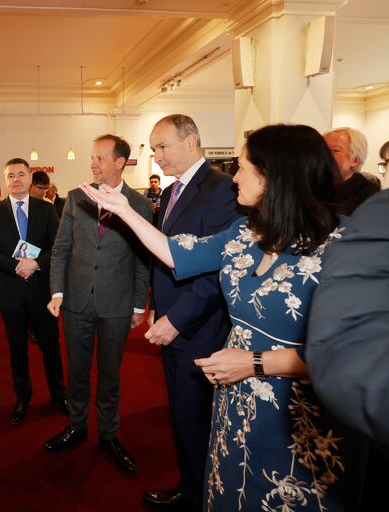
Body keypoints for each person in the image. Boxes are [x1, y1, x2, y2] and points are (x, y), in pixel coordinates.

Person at [82, 123, 364, 511]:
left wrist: (254, 363)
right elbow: (176, 253)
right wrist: (125, 211)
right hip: (236, 399)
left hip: (298, 413)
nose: (234, 177)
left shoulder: (346, 247)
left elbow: (356, 355)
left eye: (244, 168)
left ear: (275, 177)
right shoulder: (246, 231)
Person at [307, 119, 389, 511]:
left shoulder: (376, 201)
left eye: (333, 150)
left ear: (355, 159)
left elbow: (357, 358)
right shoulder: (318, 192)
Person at [142, 115, 241, 510]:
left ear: (191, 141)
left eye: (162, 147)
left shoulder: (219, 189)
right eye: (152, 150)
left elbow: (220, 267)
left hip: (199, 326)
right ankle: (192, 485)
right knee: (183, 415)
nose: (156, 157)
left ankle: (200, 494)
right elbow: (162, 258)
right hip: (172, 319)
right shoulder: (169, 193)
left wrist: (177, 319)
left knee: (194, 416)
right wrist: (156, 307)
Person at [45, 134, 152, 474]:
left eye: (100, 158)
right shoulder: (76, 198)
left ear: (120, 162)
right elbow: (61, 248)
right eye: (92, 158)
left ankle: (108, 434)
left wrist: (139, 305)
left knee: (110, 374)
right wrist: (57, 292)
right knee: (76, 371)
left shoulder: (141, 205)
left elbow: (142, 260)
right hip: (76, 301)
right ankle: (77, 426)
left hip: (117, 305)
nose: (93, 164)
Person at [0, 158, 67, 426]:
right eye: (10, 175)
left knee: (51, 347)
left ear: (30, 178)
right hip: (11, 292)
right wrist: (15, 267)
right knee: (17, 351)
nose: (16, 179)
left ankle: (58, 395)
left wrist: (36, 264)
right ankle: (23, 398)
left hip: (42, 293)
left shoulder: (45, 209)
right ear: (5, 180)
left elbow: (59, 246)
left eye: (21, 174)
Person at [323, 127, 381, 215]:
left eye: (334, 150)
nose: (323, 155)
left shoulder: (373, 196)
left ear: (355, 160)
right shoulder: (312, 187)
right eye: (321, 149)